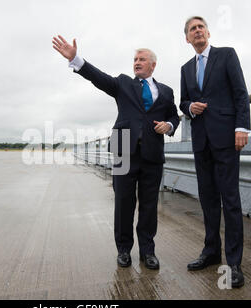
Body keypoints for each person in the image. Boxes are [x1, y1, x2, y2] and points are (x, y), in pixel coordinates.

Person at [53, 35, 179, 269]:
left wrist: (169, 126)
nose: (137, 63)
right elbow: (99, 79)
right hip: (123, 148)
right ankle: (123, 250)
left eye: (142, 59)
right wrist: (77, 60)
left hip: (152, 152)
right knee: (123, 202)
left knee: (149, 205)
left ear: (153, 64)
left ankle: (147, 251)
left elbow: (173, 115)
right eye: (134, 59)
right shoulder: (122, 83)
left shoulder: (167, 91)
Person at [179, 16, 250, 288]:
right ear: (187, 39)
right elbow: (184, 100)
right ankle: (211, 252)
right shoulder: (186, 68)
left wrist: (241, 127)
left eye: (200, 27)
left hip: (227, 138)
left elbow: (241, 93)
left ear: (207, 32)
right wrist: (189, 108)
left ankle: (233, 263)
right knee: (208, 199)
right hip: (201, 141)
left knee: (230, 200)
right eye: (191, 29)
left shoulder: (226, 55)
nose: (197, 31)